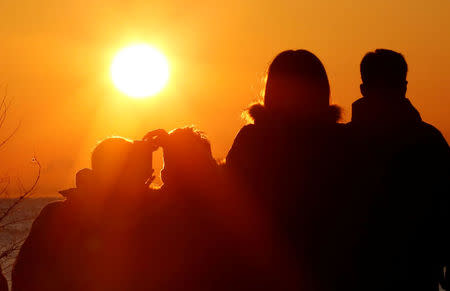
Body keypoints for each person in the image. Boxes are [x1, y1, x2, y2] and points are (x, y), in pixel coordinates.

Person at [226, 50, 349, 291]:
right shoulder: (342, 142)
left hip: (259, 270)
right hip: (328, 269)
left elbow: (229, 205)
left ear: (271, 89)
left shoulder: (251, 140)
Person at [347, 49, 450, 291]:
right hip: (416, 275)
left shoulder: (341, 143)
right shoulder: (430, 142)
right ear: (404, 87)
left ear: (363, 89)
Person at [12, 137, 155, 291]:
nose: (144, 182)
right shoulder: (133, 222)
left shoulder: (55, 214)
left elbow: (23, 276)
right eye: (138, 173)